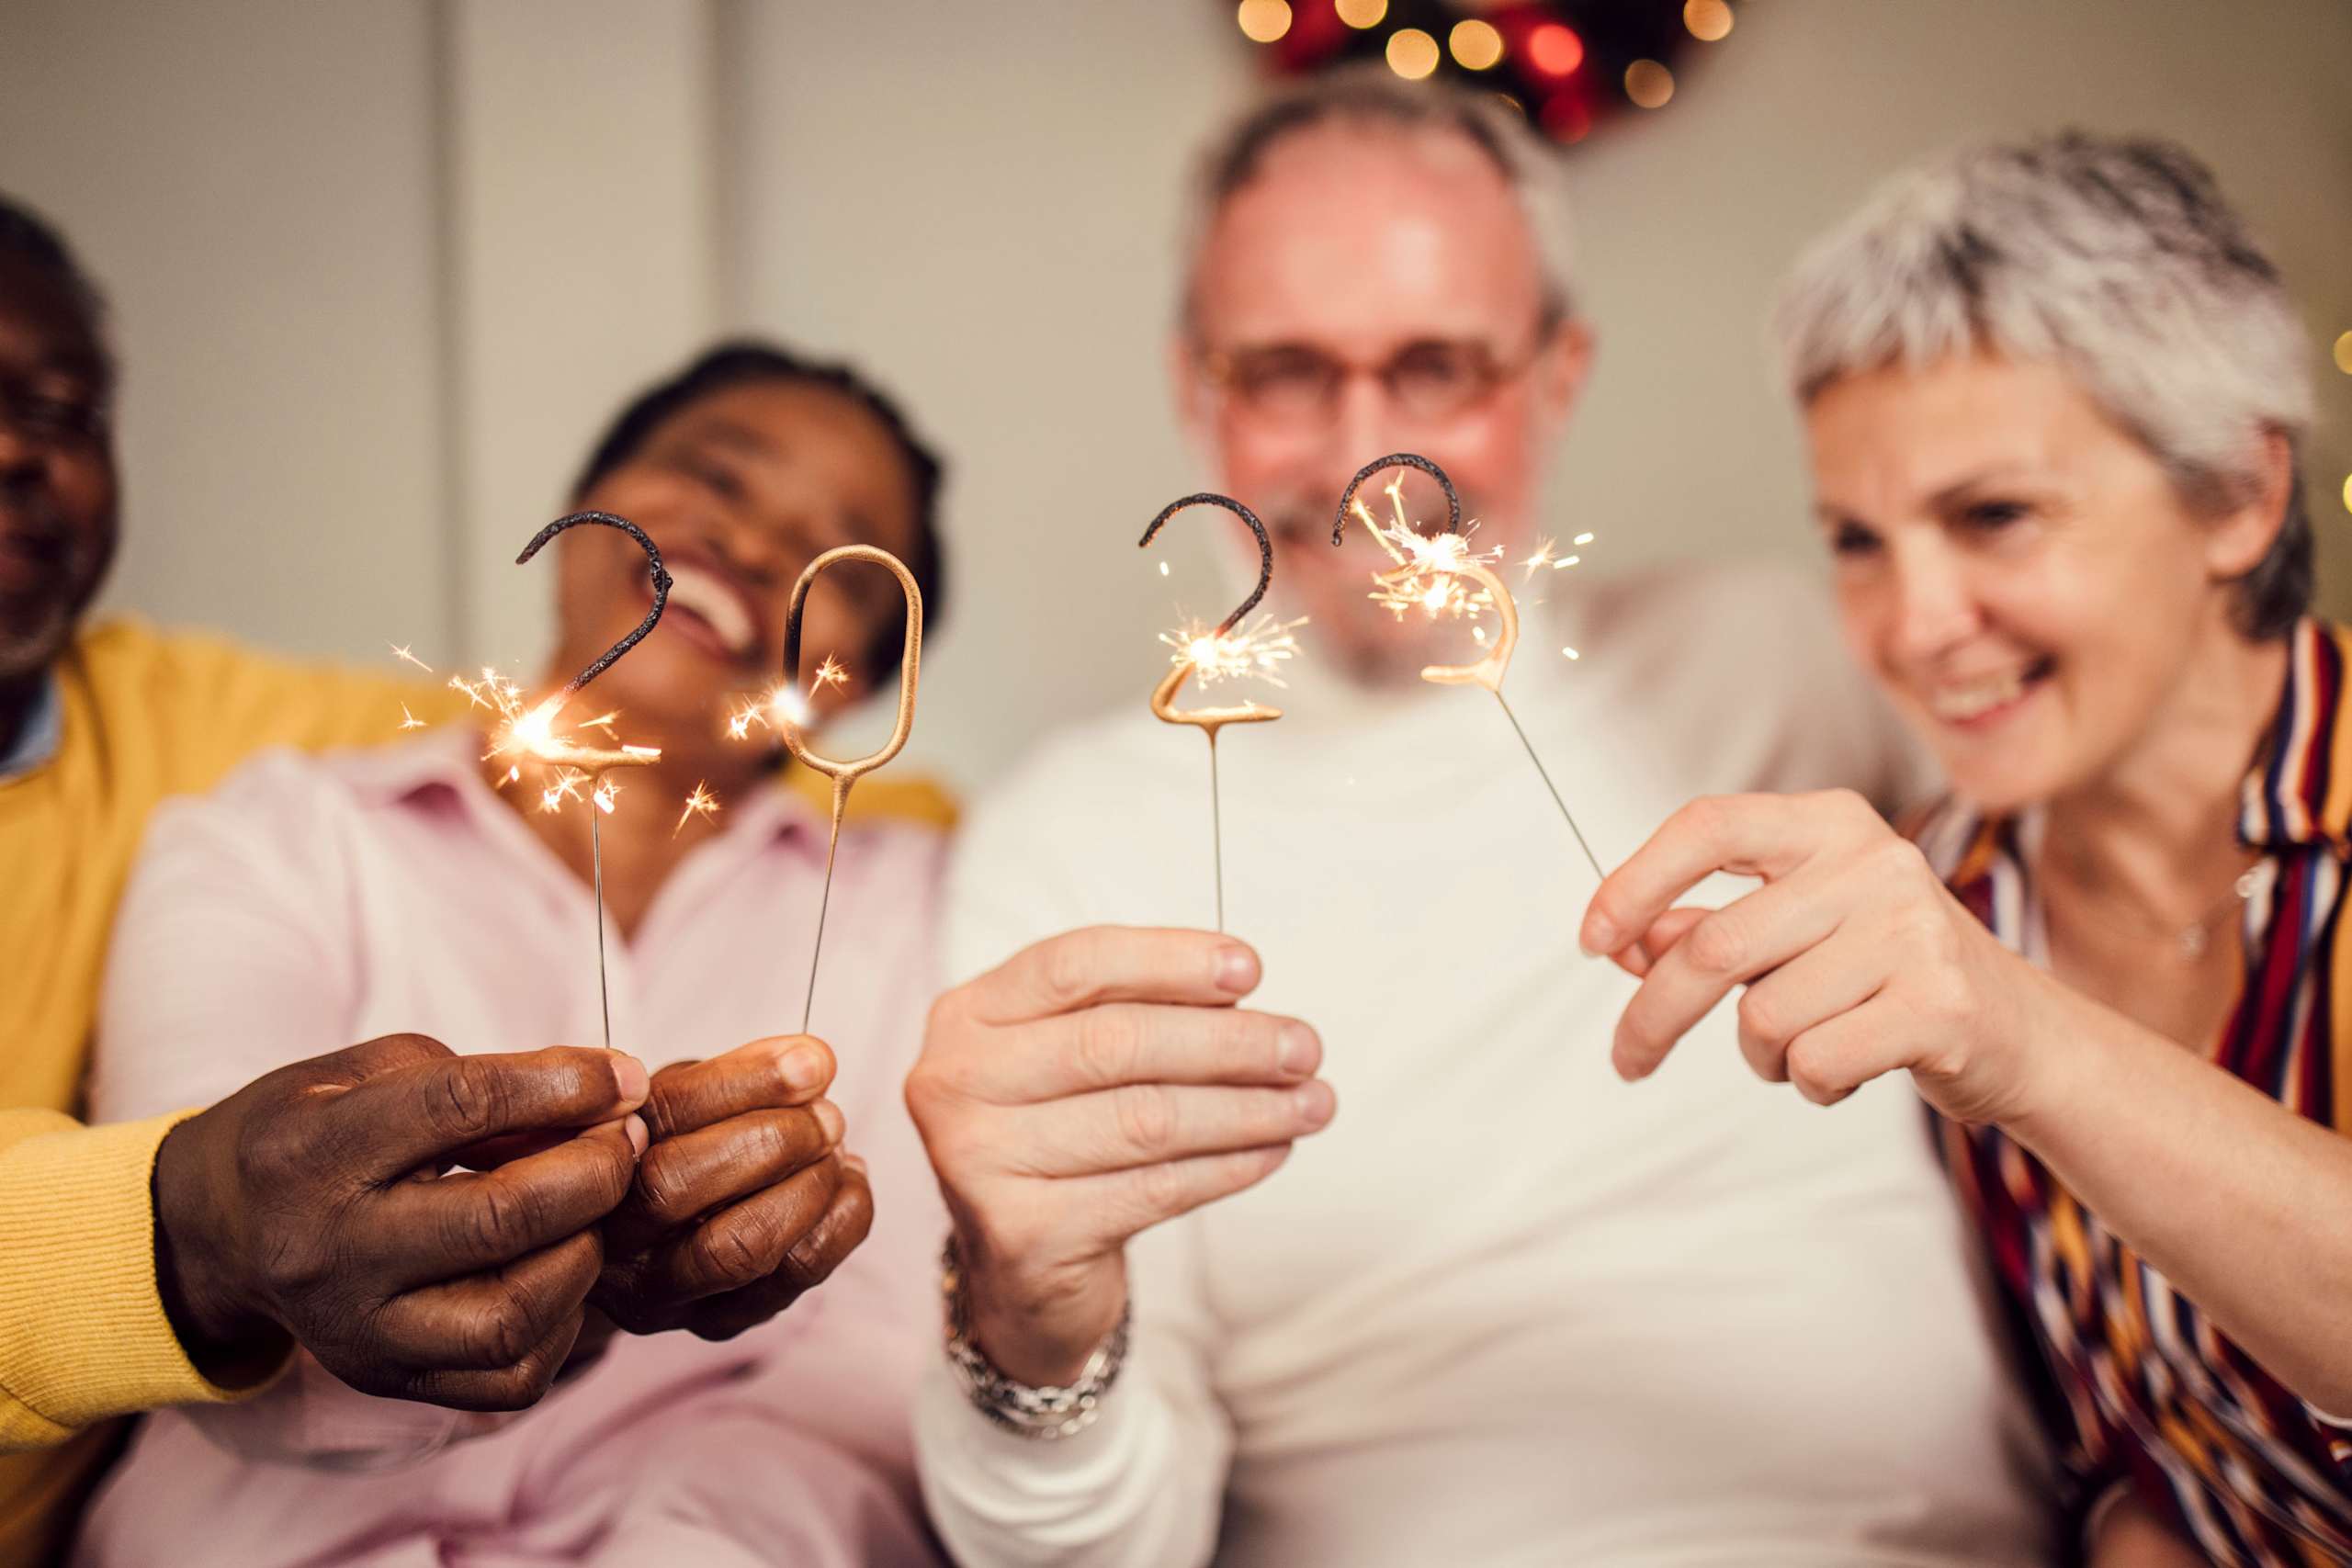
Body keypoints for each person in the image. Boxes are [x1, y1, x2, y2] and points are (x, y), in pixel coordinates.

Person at [905, 71, 2046, 1565]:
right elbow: (1090, 1551)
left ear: (1557, 376)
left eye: (1436, 366)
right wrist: (1026, 1327)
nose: (1364, 457)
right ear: (1200, 391)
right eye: (1288, 373)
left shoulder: (1786, 663)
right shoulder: (1075, 838)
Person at [1583, 132, 2348, 1566]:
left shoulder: (1962, 969)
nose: (1913, 625)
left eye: (1994, 515)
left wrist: (2029, 1043)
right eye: (1858, 540)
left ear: (2239, 498)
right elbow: (2132, 1441)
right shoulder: (1947, 892)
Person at [73, 342, 955, 1566]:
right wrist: (531, 1301)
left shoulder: (920, 907)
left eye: (840, 554)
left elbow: (888, 1362)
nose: (757, 551)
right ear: (580, 506)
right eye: (717, 476)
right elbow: (209, 1275)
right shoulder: (275, 838)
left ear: (864, 682)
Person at [0, 195, 672, 1568]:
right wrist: (185, 1222)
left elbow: (576, 738)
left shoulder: (179, 713)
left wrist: (913, 817)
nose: (14, 451)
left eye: (60, 411)